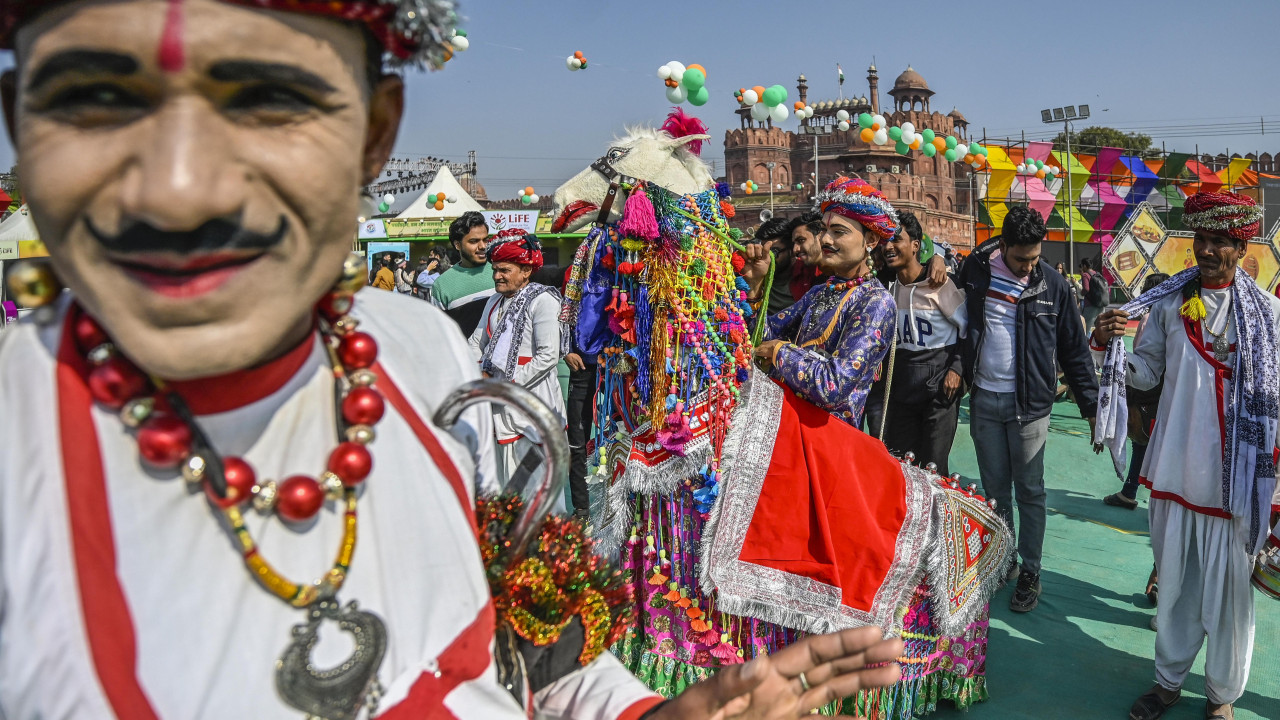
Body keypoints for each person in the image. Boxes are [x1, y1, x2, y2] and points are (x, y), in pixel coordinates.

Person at [0, 1, 905, 718]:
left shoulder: (418, 349)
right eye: (92, 98)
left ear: (375, 129)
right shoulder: (21, 450)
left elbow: (512, 656)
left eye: (270, 98)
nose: (179, 187)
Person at [1092, 191, 1280, 720]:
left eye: (1220, 241)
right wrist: (1112, 347)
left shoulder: (1271, 315)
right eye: (1201, 239)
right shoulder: (1169, 306)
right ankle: (1168, 682)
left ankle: (1221, 697)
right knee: (1174, 588)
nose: (1207, 250)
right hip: (1177, 470)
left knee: (1230, 602)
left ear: (1242, 248)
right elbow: (1147, 374)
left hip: (1240, 483)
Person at [957, 205, 1099, 613]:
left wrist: (1090, 407)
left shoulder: (1054, 286)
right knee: (996, 491)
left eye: (1035, 258)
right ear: (1003, 246)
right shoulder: (977, 271)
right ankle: (1005, 560)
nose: (1028, 267)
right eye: (1021, 259)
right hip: (983, 400)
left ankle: (1032, 570)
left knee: (1031, 491)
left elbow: (1074, 350)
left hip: (1031, 407)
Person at [745, 176, 896, 426]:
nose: (825, 240)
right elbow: (757, 339)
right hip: (790, 424)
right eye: (824, 230)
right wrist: (755, 287)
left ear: (870, 240)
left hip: (828, 440)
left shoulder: (875, 301)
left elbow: (833, 385)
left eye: (838, 232)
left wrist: (779, 350)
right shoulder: (822, 291)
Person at [467, 230, 567, 497]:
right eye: (495, 269)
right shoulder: (493, 301)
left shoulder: (543, 300)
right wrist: (472, 371)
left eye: (504, 270)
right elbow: (477, 342)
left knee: (534, 487)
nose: (497, 275)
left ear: (525, 270)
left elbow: (547, 356)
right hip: (498, 403)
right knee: (502, 484)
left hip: (532, 401)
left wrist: (506, 387)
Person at [869, 211, 967, 474]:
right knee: (901, 469)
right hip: (900, 390)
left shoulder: (940, 284)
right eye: (885, 241)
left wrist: (957, 369)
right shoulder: (885, 289)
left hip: (939, 391)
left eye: (896, 240)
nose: (889, 246)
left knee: (934, 471)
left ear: (915, 245)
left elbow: (969, 332)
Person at [1102, 272, 1170, 510]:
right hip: (1164, 391)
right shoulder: (1172, 319)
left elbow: (1141, 361)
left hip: (1146, 393)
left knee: (1142, 440)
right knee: (1149, 442)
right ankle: (1132, 490)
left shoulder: (1149, 319)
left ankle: (1133, 491)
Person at [562, 265, 596, 521]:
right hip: (581, 362)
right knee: (577, 437)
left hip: (618, 363)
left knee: (621, 430)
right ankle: (582, 507)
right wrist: (566, 350)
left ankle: (624, 503)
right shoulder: (576, 270)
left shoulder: (628, 261)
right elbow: (566, 310)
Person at [432, 210, 495, 336]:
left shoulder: (503, 272)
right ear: (457, 245)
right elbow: (440, 333)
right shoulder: (442, 285)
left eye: (485, 240)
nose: (483, 246)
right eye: (474, 241)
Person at [753, 216, 797, 314]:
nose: (767, 258)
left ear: (792, 250)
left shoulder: (806, 279)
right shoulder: (757, 275)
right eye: (764, 251)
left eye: (774, 251)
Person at [1080, 258, 1107, 330]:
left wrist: (1081, 293)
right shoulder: (1097, 274)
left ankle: (1085, 341)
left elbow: (1086, 288)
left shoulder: (1085, 275)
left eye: (1082, 266)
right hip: (1101, 304)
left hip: (1090, 305)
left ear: (1085, 266)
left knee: (1084, 328)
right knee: (1100, 328)